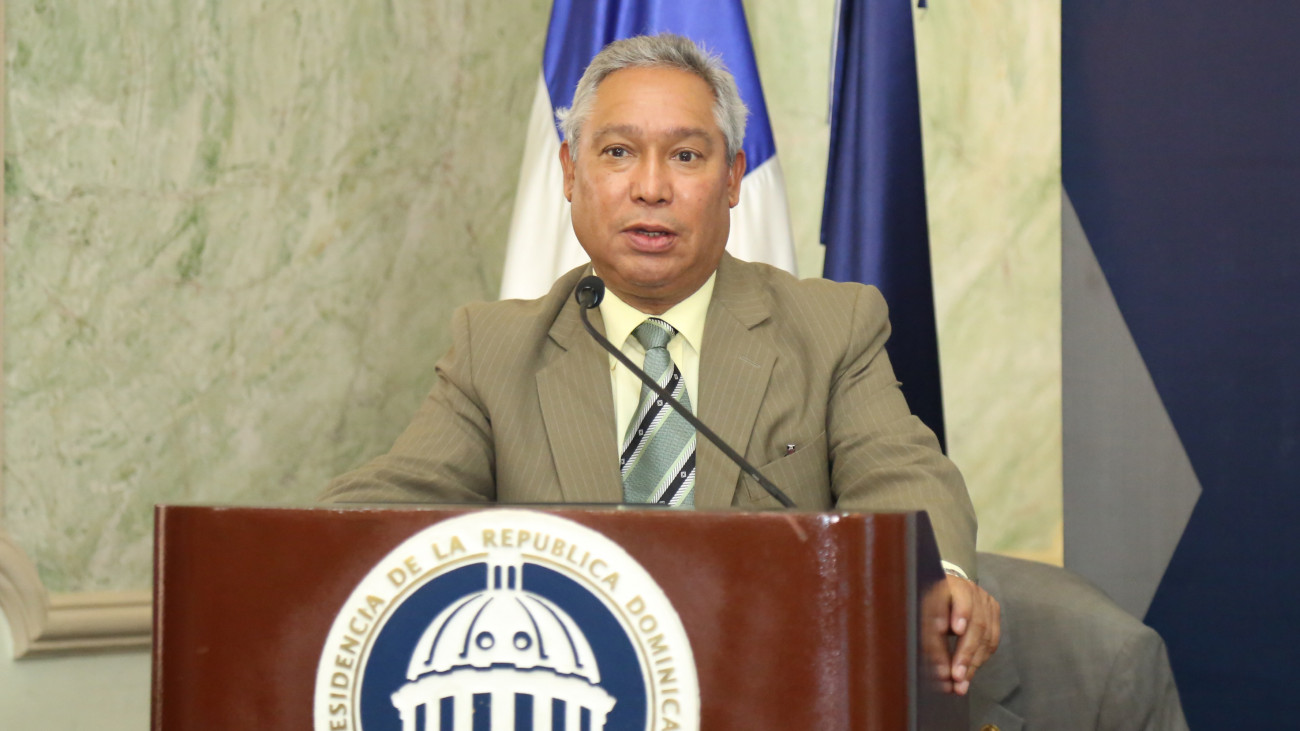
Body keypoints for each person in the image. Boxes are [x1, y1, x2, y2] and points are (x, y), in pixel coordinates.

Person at [323, 32, 999, 695]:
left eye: (685, 156)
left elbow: (901, 474)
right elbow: (390, 502)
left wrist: (938, 578)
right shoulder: (495, 348)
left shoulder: (829, 328)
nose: (650, 187)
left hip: (770, 687)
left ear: (732, 178)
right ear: (570, 172)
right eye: (618, 152)